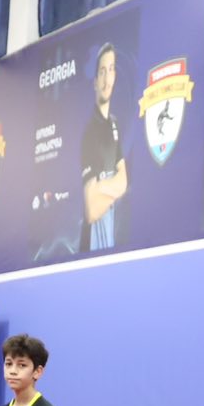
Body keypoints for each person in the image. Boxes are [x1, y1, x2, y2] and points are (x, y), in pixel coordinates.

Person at [80, 42, 130, 252]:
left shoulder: (114, 124)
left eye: (111, 70)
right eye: (102, 72)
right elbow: (91, 210)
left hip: (109, 245)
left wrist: (100, 188)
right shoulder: (89, 131)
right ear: (95, 82)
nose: (107, 79)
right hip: (90, 250)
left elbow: (124, 182)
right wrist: (113, 188)